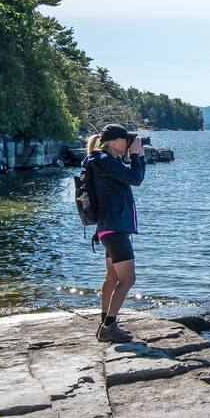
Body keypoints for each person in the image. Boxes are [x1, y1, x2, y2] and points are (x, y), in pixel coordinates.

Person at [84, 123, 146, 342]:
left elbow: (127, 178)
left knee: (111, 277)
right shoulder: (104, 161)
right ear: (112, 142)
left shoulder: (103, 161)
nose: (129, 143)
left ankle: (105, 322)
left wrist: (135, 155)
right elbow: (135, 179)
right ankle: (109, 326)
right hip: (115, 228)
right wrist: (137, 157)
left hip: (109, 227)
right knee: (128, 279)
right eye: (125, 139)